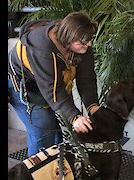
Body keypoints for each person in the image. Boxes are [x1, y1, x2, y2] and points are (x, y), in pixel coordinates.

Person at [8, 11, 100, 156]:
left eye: (90, 39)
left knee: (63, 131)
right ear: (69, 39)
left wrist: (93, 107)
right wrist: (74, 117)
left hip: (52, 85)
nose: (89, 44)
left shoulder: (82, 43)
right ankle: (36, 174)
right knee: (44, 132)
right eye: (83, 42)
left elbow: (87, 80)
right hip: (26, 86)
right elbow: (53, 90)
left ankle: (58, 171)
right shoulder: (42, 49)